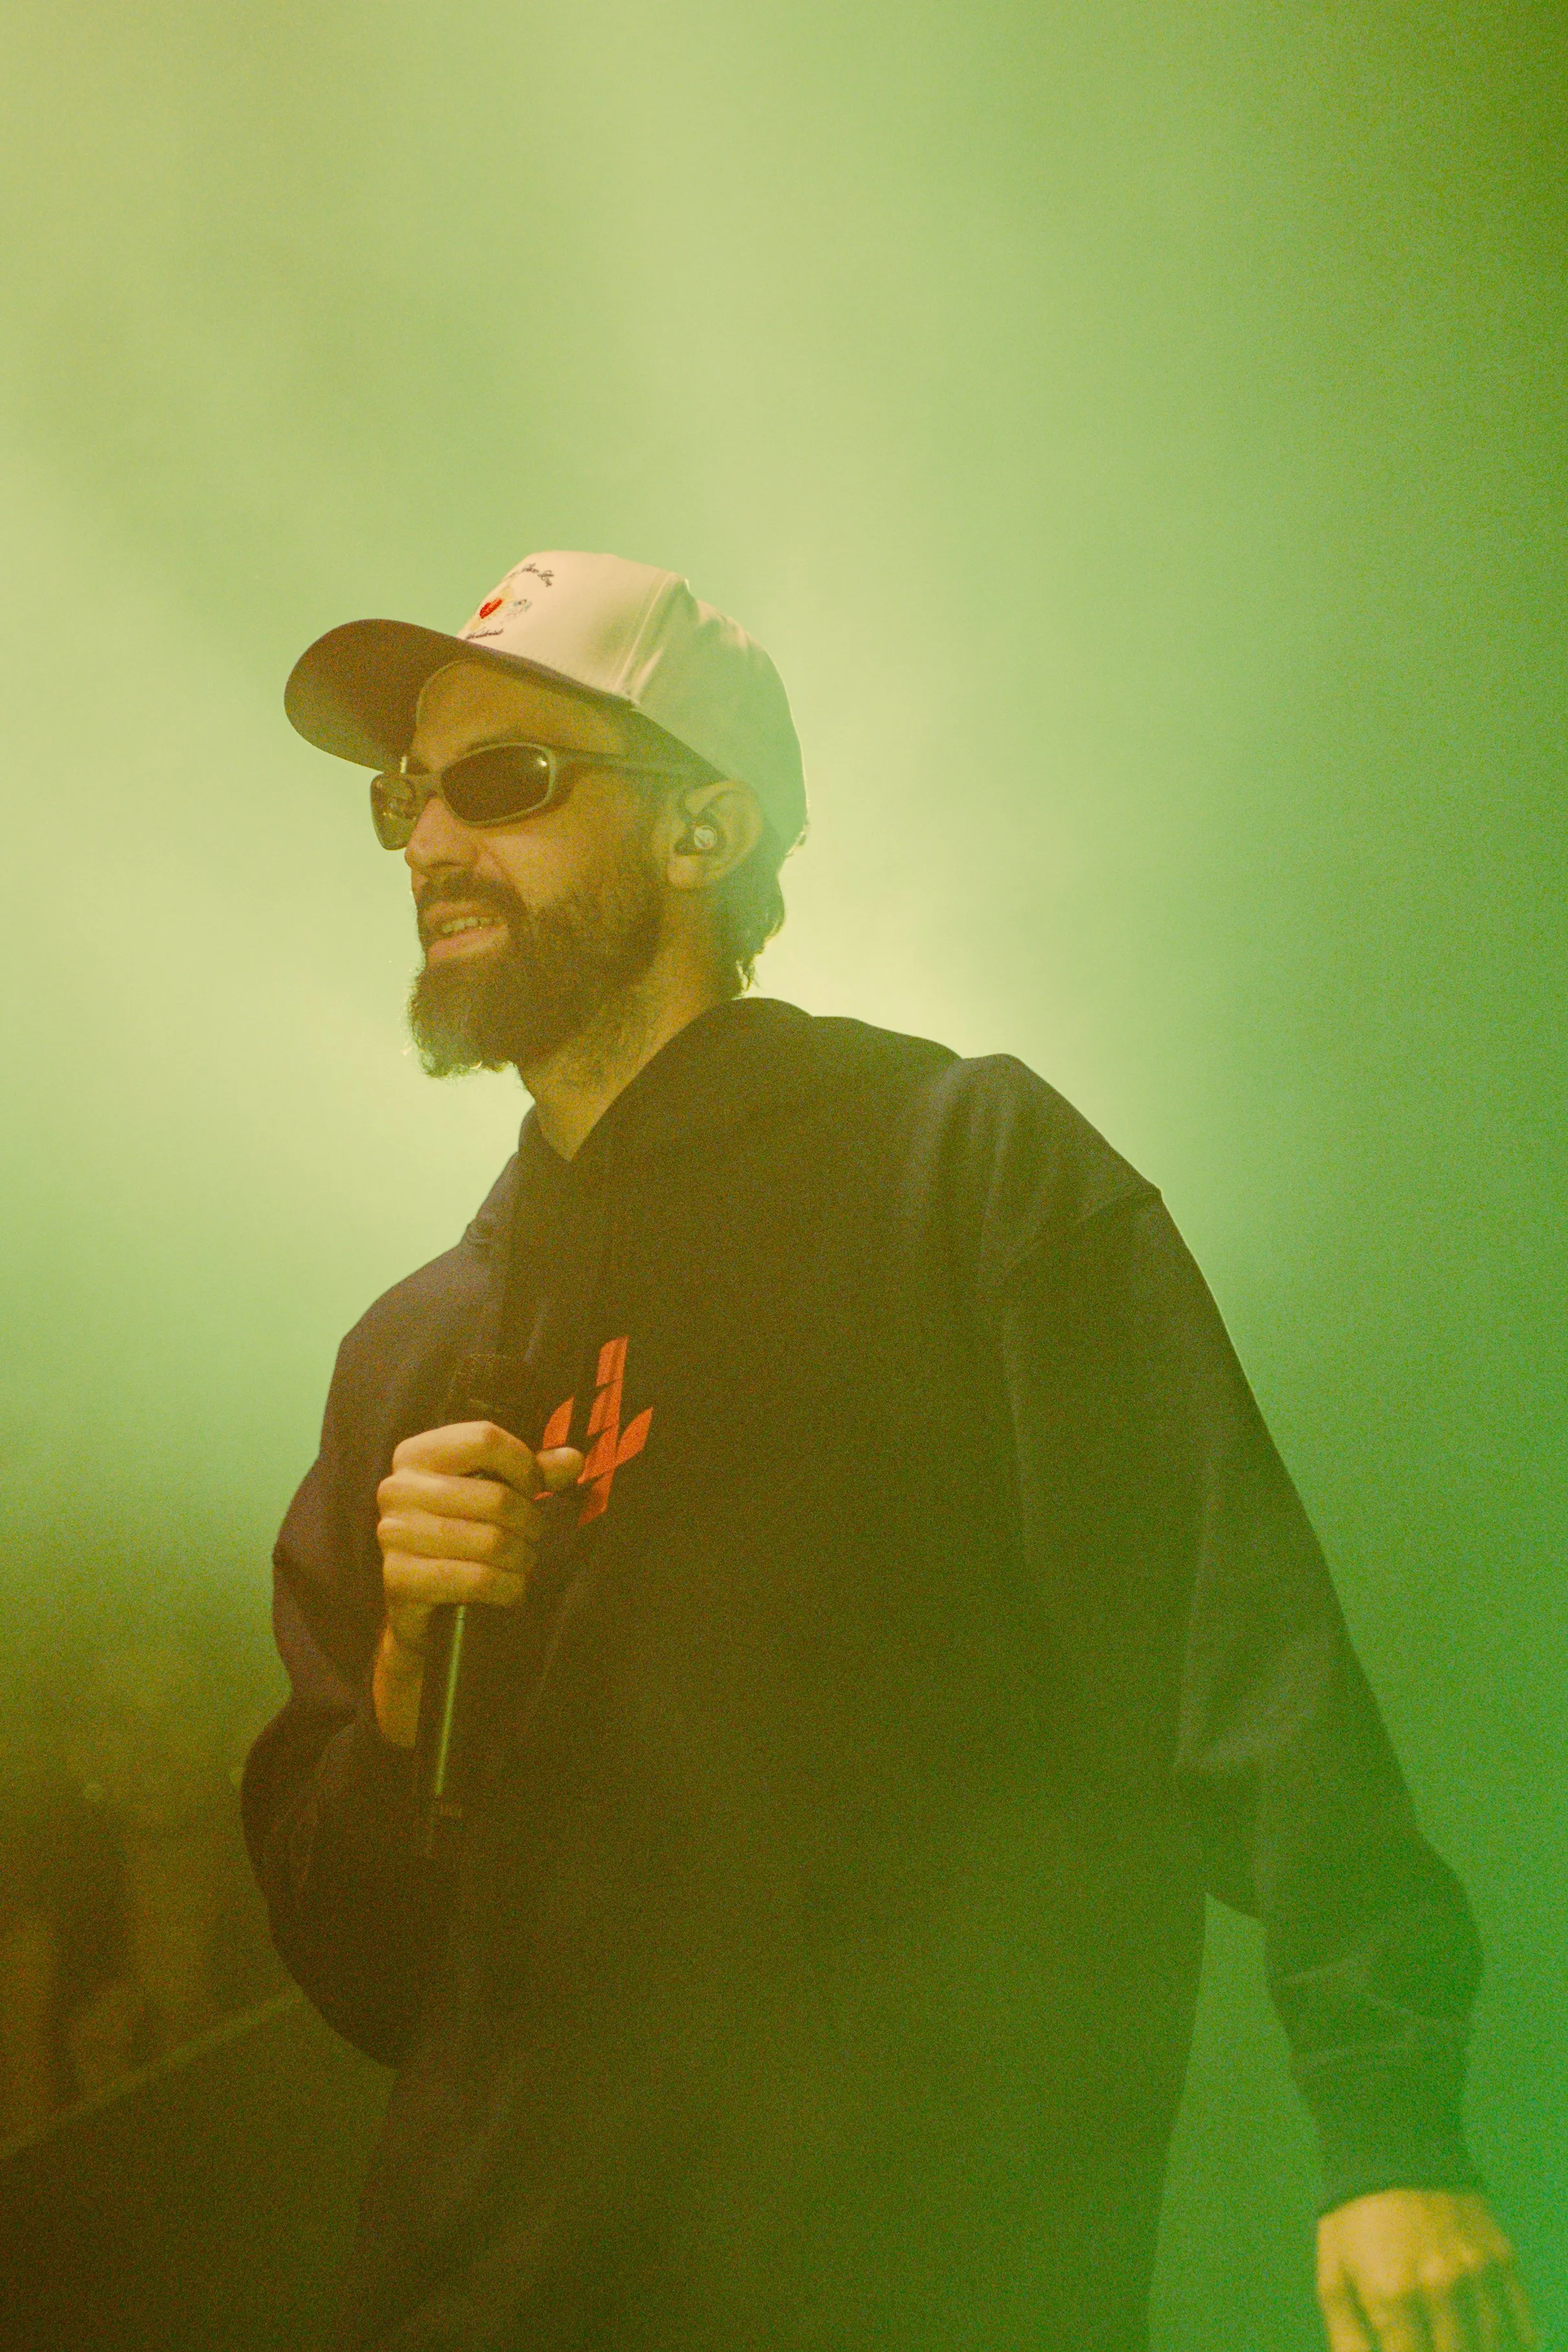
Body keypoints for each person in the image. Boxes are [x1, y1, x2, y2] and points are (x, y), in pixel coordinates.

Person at [244, 551, 1534, 2352]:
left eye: (506, 781)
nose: (429, 842)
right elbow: (365, 1980)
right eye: (405, 794)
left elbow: (1238, 1661)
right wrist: (394, 1685)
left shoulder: (951, 1168)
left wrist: (1390, 2136)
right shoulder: (417, 1348)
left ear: (703, 830)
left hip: (901, 2273)